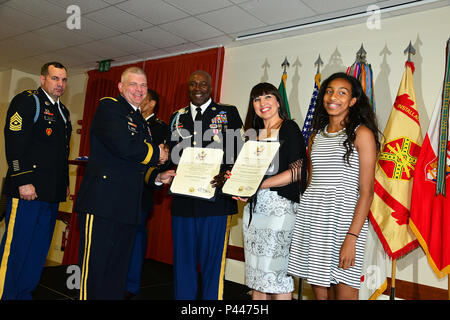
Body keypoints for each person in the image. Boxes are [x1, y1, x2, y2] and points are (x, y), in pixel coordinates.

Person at [73, 67, 173, 300]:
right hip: (102, 204)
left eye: (143, 86)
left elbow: (138, 168)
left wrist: (158, 177)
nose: (139, 90)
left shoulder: (141, 120)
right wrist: (156, 153)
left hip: (129, 207)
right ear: (121, 87)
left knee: (117, 272)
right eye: (133, 84)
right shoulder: (110, 107)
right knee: (94, 272)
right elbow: (124, 146)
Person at [287, 72, 380, 300]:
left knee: (345, 291)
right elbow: (311, 182)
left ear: (353, 101)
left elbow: (367, 192)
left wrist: (352, 237)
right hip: (313, 218)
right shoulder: (315, 136)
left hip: (343, 221)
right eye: (329, 91)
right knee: (320, 293)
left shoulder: (362, 134)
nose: (333, 96)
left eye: (342, 92)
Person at [168, 70, 243, 300]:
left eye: (203, 84)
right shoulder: (177, 117)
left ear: (211, 87)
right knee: (183, 263)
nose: (198, 88)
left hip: (215, 202)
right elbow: (172, 155)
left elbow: (237, 151)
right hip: (183, 201)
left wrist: (228, 174)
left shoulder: (227, 112)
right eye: (193, 84)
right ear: (187, 88)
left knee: (213, 264)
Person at [0, 62, 72, 300]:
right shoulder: (28, 101)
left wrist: (64, 184)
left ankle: (23, 294)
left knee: (37, 250)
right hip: (27, 191)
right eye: (55, 78)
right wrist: (22, 180)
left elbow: (60, 153)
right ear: (43, 79)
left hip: (50, 194)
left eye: (63, 80)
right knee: (16, 249)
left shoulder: (64, 112)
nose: (59, 84)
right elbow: (14, 141)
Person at [235, 82, 307, 300]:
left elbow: (297, 171)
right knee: (257, 275)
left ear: (278, 101)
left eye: (267, 97)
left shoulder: (288, 128)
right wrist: (242, 187)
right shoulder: (252, 134)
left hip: (280, 210)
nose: (262, 103)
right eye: (257, 99)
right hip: (254, 210)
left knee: (276, 275)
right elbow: (248, 174)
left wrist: (260, 185)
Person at [125, 89, 170, 298]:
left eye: (143, 97)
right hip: (121, 189)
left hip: (143, 189)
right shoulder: (129, 120)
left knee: (136, 236)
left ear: (151, 103)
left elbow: (159, 160)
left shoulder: (159, 128)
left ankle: (131, 285)